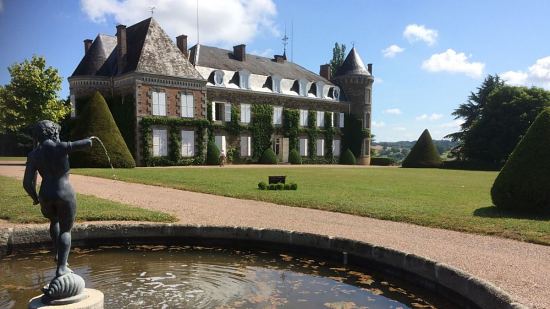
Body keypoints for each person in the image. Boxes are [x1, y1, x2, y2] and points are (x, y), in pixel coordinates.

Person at [23, 120, 92, 278]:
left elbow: (27, 183)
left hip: (45, 195)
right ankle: (62, 267)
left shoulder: (34, 154)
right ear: (52, 132)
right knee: (66, 230)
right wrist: (90, 140)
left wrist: (35, 198)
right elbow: (86, 144)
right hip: (64, 193)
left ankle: (58, 253)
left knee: (54, 222)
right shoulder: (61, 147)